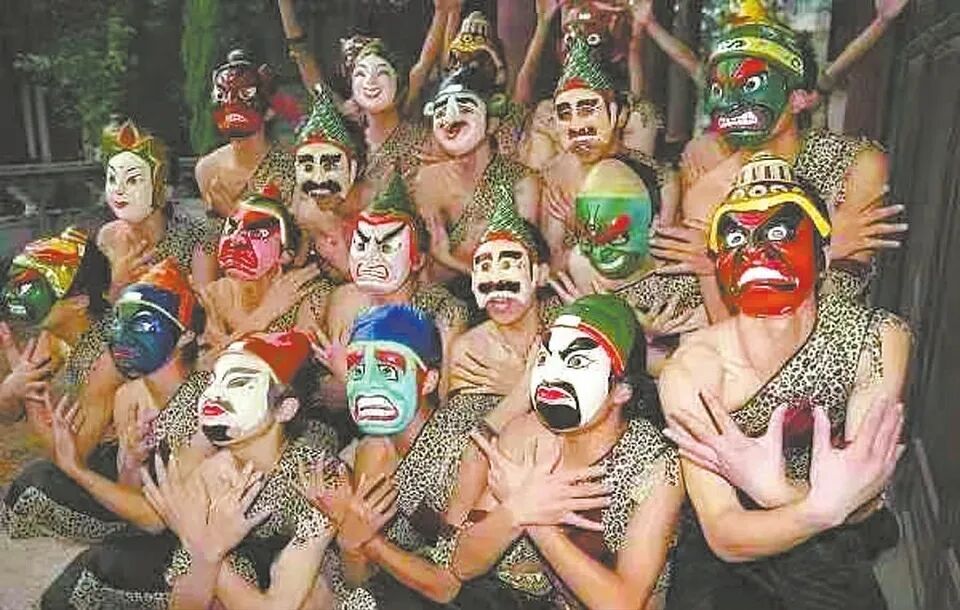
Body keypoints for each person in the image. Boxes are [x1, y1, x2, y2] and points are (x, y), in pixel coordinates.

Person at [658, 153, 910, 609]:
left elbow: (864, 495)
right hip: (737, 549)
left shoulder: (873, 339)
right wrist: (819, 507)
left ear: (823, 253)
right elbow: (724, 531)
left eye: (777, 233)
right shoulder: (693, 369)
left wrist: (774, 491)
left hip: (828, 541)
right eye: (736, 238)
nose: (754, 251)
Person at [43, 330, 340, 609]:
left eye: (237, 382)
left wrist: (198, 541)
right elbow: (184, 601)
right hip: (230, 575)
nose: (213, 394)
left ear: (285, 409)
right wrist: (205, 553)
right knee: (98, 566)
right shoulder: (215, 470)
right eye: (214, 380)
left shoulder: (318, 480)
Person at [450, 293, 682, 609]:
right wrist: (514, 512)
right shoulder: (525, 435)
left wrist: (536, 521)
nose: (552, 376)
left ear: (622, 390)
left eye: (576, 362)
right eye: (545, 359)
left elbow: (623, 604)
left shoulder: (655, 467)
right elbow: (462, 564)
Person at [4, 259, 207, 542]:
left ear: (185, 336)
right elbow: (132, 501)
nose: (122, 336)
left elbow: (157, 522)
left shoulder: (203, 403)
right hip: (154, 516)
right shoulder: (128, 397)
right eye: (119, 322)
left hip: (205, 538)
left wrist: (77, 469)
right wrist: (131, 464)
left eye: (141, 324)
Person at [321, 172, 468, 398]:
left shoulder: (446, 312)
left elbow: (447, 398)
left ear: (417, 260)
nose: (370, 259)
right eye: (362, 246)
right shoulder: (345, 301)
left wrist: (349, 380)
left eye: (387, 248)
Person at [560, 158, 705, 374]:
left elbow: (693, 370)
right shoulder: (583, 261)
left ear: (652, 223)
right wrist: (632, 331)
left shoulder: (687, 271)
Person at [414, 61, 541, 284]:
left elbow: (518, 273)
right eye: (441, 111)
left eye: (465, 109)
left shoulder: (521, 183)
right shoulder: (427, 180)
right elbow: (424, 266)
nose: (450, 119)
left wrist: (449, 259)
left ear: (492, 123)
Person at [0, 228, 116, 455]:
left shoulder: (107, 359)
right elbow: (10, 413)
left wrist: (32, 403)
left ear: (79, 302)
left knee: (39, 475)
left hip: (134, 462)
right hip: (97, 450)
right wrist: (10, 389)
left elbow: (73, 456)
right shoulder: (55, 335)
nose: (17, 296)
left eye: (34, 288)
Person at [199, 185, 331, 362]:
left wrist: (228, 342)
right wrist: (264, 315)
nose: (236, 240)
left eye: (257, 233)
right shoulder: (212, 296)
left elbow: (288, 366)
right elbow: (202, 366)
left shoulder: (308, 292)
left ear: (285, 254)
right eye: (231, 229)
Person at [98, 119, 217, 296]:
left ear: (165, 190)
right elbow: (101, 308)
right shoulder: (108, 238)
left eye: (133, 180)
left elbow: (208, 304)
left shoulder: (197, 236)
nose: (119, 190)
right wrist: (116, 283)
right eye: (113, 179)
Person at [194, 49, 296, 220]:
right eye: (221, 95)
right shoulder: (208, 169)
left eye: (245, 94)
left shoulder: (290, 168)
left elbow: (289, 231)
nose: (231, 103)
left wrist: (232, 213)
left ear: (269, 110)